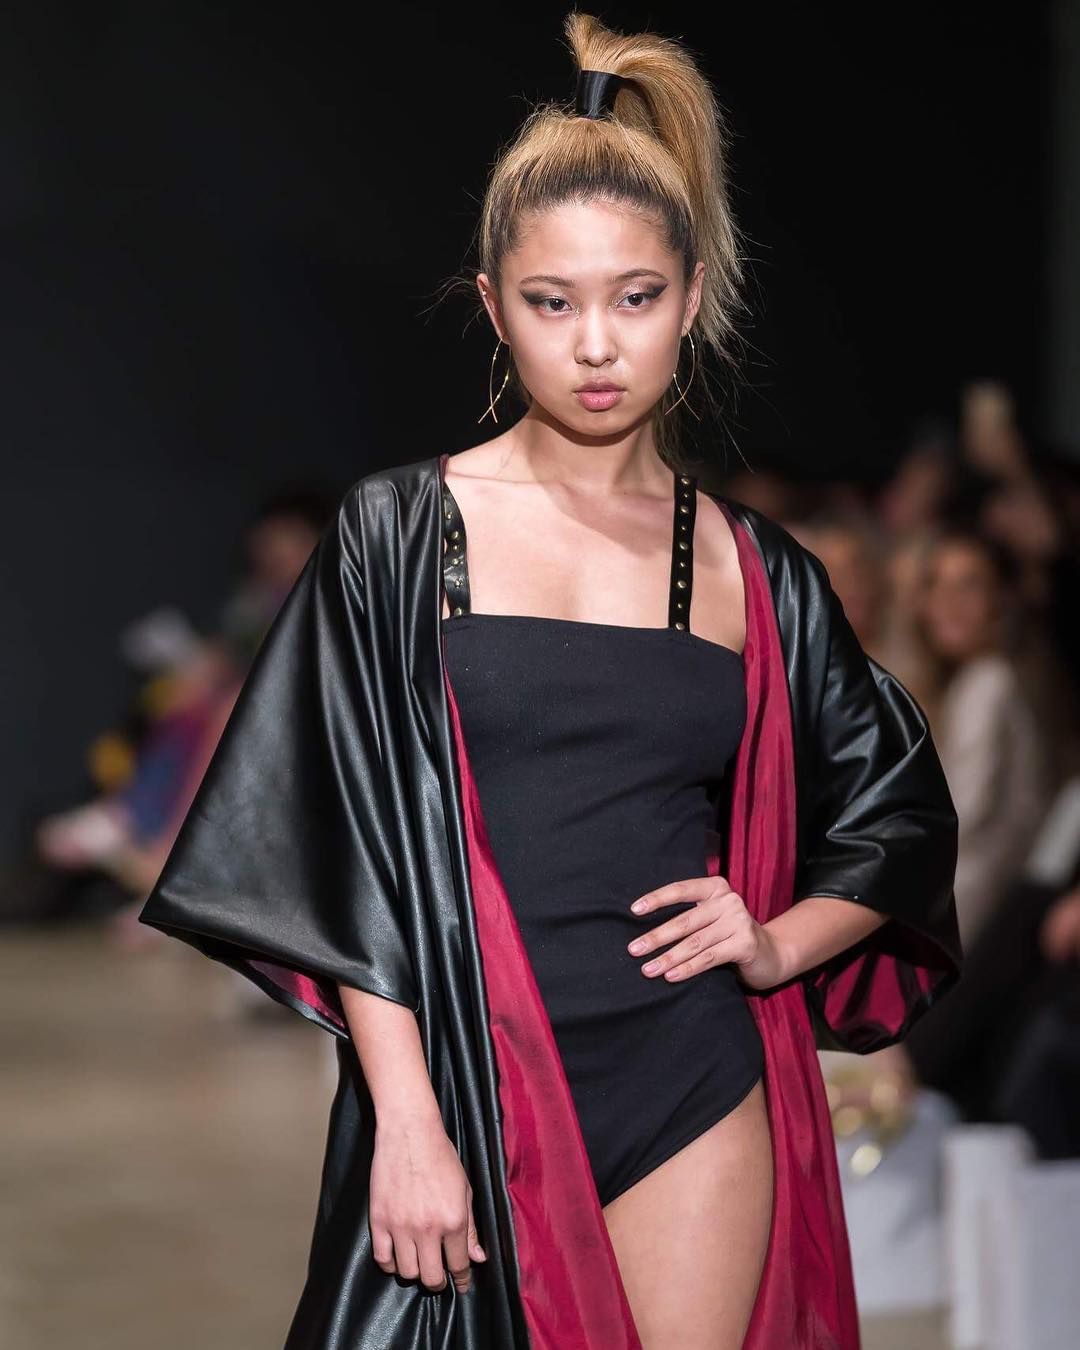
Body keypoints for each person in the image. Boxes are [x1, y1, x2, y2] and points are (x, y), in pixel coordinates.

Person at [138, 13, 962, 1349]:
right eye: (552, 301)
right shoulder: (398, 537)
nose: (595, 345)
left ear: (693, 298)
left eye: (635, 297)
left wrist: (773, 944)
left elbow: (900, 813)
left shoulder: (752, 570)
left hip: (692, 1073)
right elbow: (346, 845)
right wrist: (406, 1118)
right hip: (467, 1076)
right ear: (491, 306)